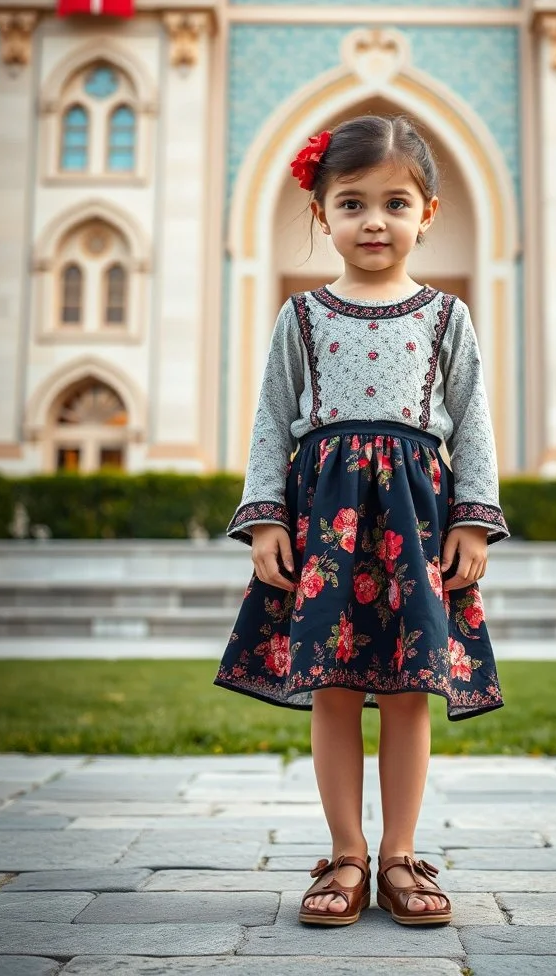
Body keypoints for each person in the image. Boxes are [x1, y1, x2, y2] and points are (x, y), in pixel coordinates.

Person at [213, 113, 509, 928]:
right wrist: (266, 517)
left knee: (411, 689)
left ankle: (400, 856)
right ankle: (346, 853)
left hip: (415, 520)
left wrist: (473, 521)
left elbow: (473, 420)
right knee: (335, 687)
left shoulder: (446, 316)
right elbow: (272, 420)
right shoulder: (301, 318)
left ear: (428, 213)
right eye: (351, 203)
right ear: (321, 214)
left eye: (394, 203)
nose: (373, 220)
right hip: (326, 522)